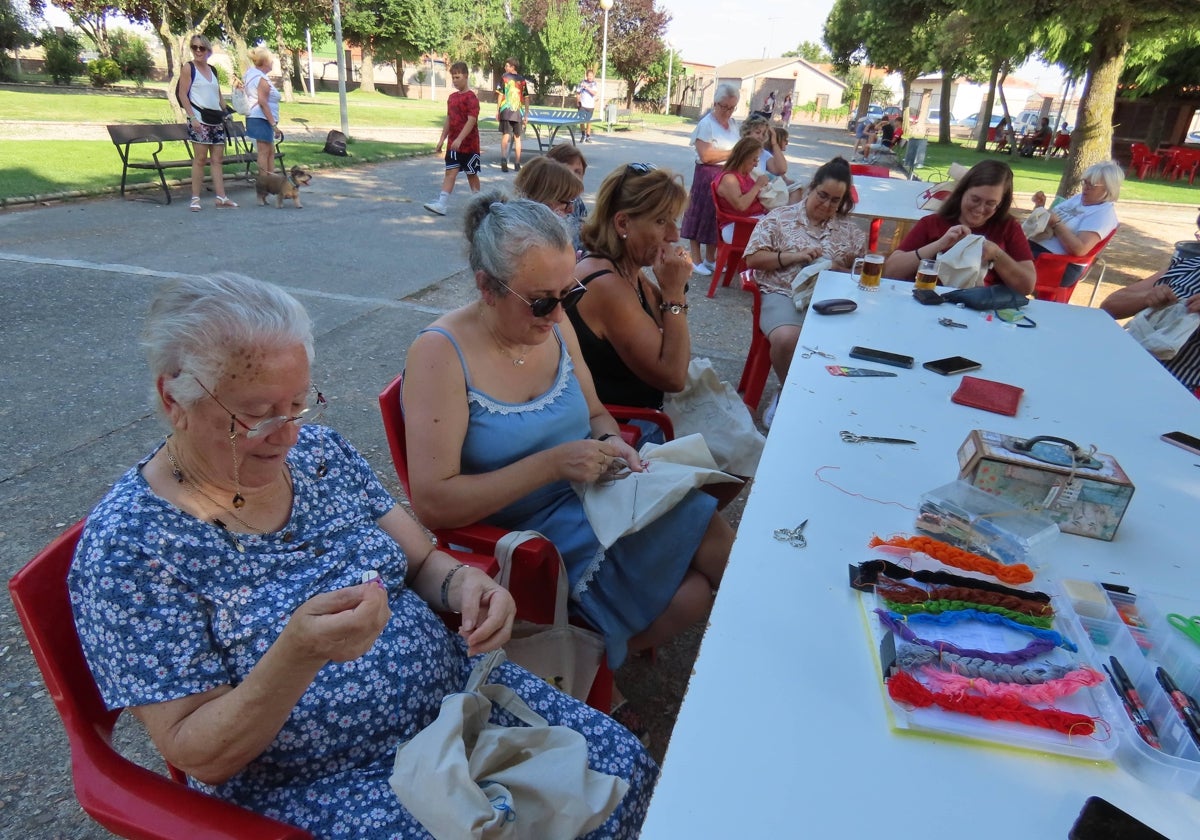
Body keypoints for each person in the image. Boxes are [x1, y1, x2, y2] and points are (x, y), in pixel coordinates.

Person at [67, 273, 657, 838]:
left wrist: (468, 588)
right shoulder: (131, 547)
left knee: (622, 772)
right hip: (324, 783)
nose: (289, 433)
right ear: (175, 397)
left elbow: (424, 562)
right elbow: (197, 752)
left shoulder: (320, 455)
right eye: (257, 413)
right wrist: (297, 655)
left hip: (457, 703)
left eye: (298, 404)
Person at [402, 194, 732, 675]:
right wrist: (555, 464)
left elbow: (597, 414)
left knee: (706, 549)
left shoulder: (552, 327)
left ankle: (596, 659)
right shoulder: (441, 353)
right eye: (541, 302)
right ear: (486, 287)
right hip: (533, 530)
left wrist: (610, 441)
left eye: (569, 296)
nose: (559, 316)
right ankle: (582, 663)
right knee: (697, 575)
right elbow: (433, 502)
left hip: (594, 492)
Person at [569, 164, 693, 436]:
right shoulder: (607, 285)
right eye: (662, 221)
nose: (674, 235)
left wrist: (674, 287)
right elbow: (674, 376)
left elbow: (666, 326)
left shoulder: (626, 268)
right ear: (623, 223)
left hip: (644, 411)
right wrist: (674, 293)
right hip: (622, 427)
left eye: (675, 221)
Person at [743, 157, 866, 424]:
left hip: (833, 298)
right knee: (788, 339)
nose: (826, 205)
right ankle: (789, 393)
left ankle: (832, 397)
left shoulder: (850, 232)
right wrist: (794, 256)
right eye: (822, 196)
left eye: (835, 200)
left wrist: (836, 268)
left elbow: (863, 275)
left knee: (864, 339)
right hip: (783, 293)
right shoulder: (779, 218)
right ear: (811, 188)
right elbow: (752, 258)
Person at [883, 159, 1035, 294]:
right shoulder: (932, 223)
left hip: (982, 312)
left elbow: (1027, 286)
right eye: (975, 199)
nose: (981, 209)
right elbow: (891, 271)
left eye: (990, 203)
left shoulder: (1009, 228)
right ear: (962, 193)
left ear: (1000, 204)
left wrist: (997, 255)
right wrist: (939, 245)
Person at [1101, 248, 1200, 393]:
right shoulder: (1186, 268)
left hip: (1180, 393)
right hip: (1123, 369)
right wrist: (1146, 297)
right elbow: (1109, 306)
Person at [1028, 160, 1123, 285]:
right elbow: (1050, 221)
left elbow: (1080, 250)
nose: (1085, 188)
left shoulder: (1103, 214)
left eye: (1092, 185)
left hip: (1060, 266)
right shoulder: (1078, 198)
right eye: (1085, 182)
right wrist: (1040, 208)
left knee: (1002, 259)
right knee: (1000, 245)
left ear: (1109, 188)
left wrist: (1056, 223)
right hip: (1038, 251)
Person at [681, 82, 741, 276]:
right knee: (700, 215)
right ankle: (696, 259)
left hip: (726, 176)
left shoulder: (732, 124)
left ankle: (710, 258)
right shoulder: (706, 124)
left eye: (731, 107)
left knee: (716, 218)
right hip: (708, 174)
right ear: (715, 103)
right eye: (724, 106)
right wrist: (734, 153)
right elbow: (706, 155)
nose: (727, 111)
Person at [178, 35, 235, 211]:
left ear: (208, 51)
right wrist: (192, 117)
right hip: (199, 120)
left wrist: (226, 111)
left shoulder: (213, 70)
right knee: (200, 159)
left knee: (217, 160)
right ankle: (195, 198)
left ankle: (221, 197)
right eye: (194, 47)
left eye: (202, 48)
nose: (198, 51)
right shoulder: (189, 68)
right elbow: (182, 94)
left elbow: (217, 95)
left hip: (216, 119)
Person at [423, 61, 481, 216]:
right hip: (453, 144)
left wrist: (460, 139)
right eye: (453, 78)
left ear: (466, 76)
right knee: (450, 173)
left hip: (469, 145)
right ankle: (441, 204)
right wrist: (442, 138)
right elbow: (449, 119)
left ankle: (479, 205)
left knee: (471, 174)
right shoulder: (452, 98)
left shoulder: (472, 98)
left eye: (457, 77)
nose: (455, 81)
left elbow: (472, 120)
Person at [243, 46, 282, 177]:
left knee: (269, 151)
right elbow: (263, 103)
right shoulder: (261, 79)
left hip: (258, 118)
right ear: (265, 61)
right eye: (271, 60)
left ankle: (271, 180)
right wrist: (274, 125)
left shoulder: (251, 74)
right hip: (261, 119)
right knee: (264, 152)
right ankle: (265, 182)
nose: (272, 62)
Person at [545, 143, 590, 249]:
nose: (574, 178)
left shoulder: (577, 202)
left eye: (578, 172)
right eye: (567, 172)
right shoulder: (543, 204)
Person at [716, 137, 769, 222]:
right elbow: (741, 206)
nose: (756, 164)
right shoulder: (729, 179)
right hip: (740, 225)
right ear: (744, 157)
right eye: (754, 159)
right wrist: (757, 186)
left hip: (754, 219)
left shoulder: (746, 174)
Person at [513, 157, 585, 219]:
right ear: (542, 199)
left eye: (572, 201)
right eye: (566, 202)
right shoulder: (522, 233)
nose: (571, 210)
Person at [496, 57, 528, 173]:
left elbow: (500, 95)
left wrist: (497, 110)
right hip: (518, 113)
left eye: (507, 66)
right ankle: (517, 163)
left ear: (512, 67)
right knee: (517, 138)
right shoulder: (522, 80)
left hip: (505, 111)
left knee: (505, 135)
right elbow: (526, 98)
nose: (505, 68)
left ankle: (504, 159)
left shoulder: (504, 78)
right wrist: (526, 115)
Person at [576, 68, 598, 142]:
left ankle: (588, 136)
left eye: (591, 76)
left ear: (593, 76)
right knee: (581, 120)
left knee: (589, 121)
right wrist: (578, 101)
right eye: (589, 76)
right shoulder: (582, 83)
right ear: (586, 76)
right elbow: (578, 92)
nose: (590, 77)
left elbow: (594, 93)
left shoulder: (594, 84)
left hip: (590, 106)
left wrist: (587, 88)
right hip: (583, 105)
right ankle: (583, 135)